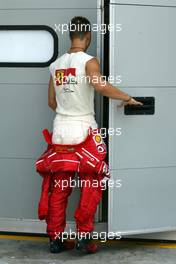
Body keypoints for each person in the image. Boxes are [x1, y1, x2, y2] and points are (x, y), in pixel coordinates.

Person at [36, 16, 142, 254]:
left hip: (61, 134)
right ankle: (84, 237)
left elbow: (51, 102)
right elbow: (101, 86)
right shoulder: (89, 61)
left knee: (60, 186)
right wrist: (127, 98)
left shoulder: (55, 65)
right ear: (88, 36)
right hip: (84, 130)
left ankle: (55, 239)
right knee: (90, 183)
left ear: (70, 34)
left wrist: (67, 111)